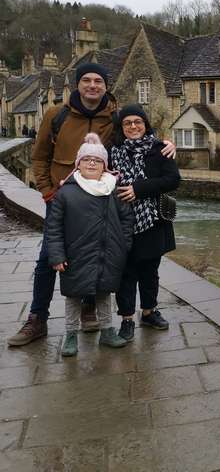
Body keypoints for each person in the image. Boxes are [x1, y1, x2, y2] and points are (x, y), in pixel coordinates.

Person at [7, 62, 175, 346]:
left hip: (101, 200)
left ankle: (88, 308)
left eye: (99, 80)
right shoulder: (55, 114)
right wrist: (49, 192)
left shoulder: (114, 117)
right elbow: (39, 157)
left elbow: (140, 133)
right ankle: (37, 319)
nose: (93, 85)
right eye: (86, 80)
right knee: (49, 257)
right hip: (64, 199)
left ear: (106, 86)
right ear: (77, 84)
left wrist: (168, 144)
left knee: (96, 253)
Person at [48, 133, 133, 356]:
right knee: (74, 296)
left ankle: (107, 331)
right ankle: (71, 336)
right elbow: (53, 227)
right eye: (86, 160)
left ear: (105, 165)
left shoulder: (113, 189)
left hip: (108, 253)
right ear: (78, 164)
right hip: (75, 254)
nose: (92, 163)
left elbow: (126, 219)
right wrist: (56, 255)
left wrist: (124, 246)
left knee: (105, 295)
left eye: (97, 160)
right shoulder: (66, 192)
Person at [111, 104, 180, 341]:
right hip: (121, 221)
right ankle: (127, 319)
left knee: (150, 270)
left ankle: (149, 312)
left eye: (137, 122)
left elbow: (173, 180)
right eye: (127, 123)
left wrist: (138, 189)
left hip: (152, 220)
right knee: (126, 273)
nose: (133, 126)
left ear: (145, 124)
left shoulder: (160, 149)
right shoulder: (113, 151)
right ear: (121, 127)